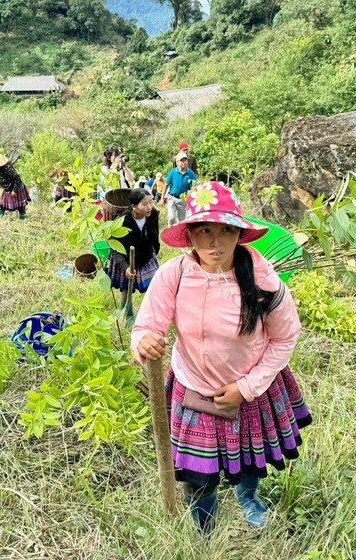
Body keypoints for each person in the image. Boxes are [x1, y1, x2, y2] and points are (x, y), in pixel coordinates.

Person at [131, 181, 311, 532]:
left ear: (239, 234)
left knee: (248, 461)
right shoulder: (174, 274)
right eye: (205, 231)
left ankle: (248, 495)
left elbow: (286, 336)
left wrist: (245, 387)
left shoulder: (263, 280)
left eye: (226, 230)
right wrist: (144, 342)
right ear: (190, 234)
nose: (215, 241)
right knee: (199, 476)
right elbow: (146, 325)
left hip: (252, 387)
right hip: (194, 388)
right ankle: (205, 523)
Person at [105, 188, 160, 315]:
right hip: (125, 259)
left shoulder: (153, 215)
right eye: (145, 204)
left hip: (146, 256)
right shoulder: (122, 221)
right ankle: (128, 316)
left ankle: (152, 314)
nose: (149, 207)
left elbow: (154, 235)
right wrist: (126, 268)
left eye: (151, 202)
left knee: (154, 286)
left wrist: (154, 251)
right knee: (125, 289)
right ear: (134, 207)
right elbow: (114, 248)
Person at [0, 152, 30, 220]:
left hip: (16, 186)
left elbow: (17, 178)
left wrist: (15, 190)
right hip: (7, 188)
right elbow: (0, 181)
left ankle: (22, 216)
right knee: (2, 204)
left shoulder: (7, 167)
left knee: (21, 205)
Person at [163, 152, 197, 226]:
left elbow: (194, 186)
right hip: (172, 198)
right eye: (182, 160)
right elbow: (166, 185)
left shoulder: (190, 173)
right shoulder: (172, 172)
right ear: (177, 162)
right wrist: (162, 198)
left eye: (185, 160)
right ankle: (170, 234)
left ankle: (179, 235)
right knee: (171, 218)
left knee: (182, 221)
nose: (184, 162)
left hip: (183, 200)